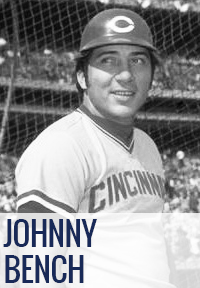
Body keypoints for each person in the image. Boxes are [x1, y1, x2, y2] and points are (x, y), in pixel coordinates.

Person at [15, 8, 177, 288]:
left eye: (138, 60)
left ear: (152, 76)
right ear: (81, 77)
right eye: (108, 60)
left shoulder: (148, 146)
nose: (126, 74)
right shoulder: (63, 146)